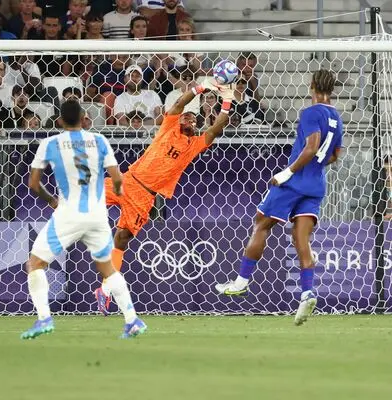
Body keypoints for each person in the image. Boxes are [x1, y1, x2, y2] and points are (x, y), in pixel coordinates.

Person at [215, 70, 343, 326]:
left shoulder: (311, 113)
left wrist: (288, 173)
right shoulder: (336, 117)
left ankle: (241, 282)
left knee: (261, 223)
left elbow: (311, 146)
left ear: (312, 85)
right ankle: (307, 293)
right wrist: (313, 167)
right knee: (301, 238)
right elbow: (334, 155)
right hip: (316, 185)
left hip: (294, 183)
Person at [94, 80, 233, 314]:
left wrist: (227, 100)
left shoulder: (194, 146)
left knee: (122, 239)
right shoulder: (168, 128)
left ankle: (105, 290)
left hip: (145, 197)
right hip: (127, 181)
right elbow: (179, 103)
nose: (190, 119)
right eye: (186, 117)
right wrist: (201, 87)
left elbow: (216, 128)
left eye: (194, 119)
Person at [22, 99, 146, 339]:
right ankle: (132, 320)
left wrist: (51, 201)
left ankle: (44, 318)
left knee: (35, 264)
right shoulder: (99, 140)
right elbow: (117, 178)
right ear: (84, 119)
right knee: (109, 270)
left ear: (59, 121)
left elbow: (33, 184)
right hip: (98, 214)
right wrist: (119, 192)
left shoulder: (50, 143)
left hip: (68, 213)